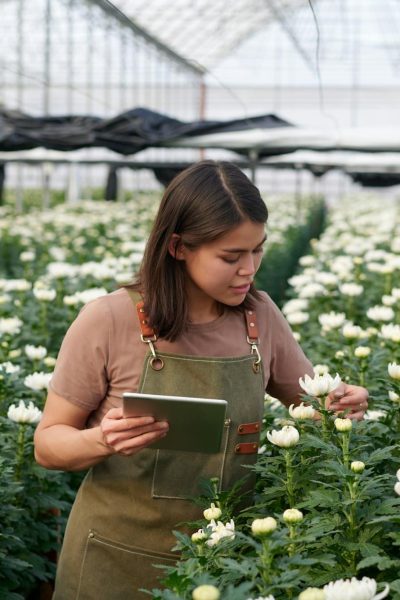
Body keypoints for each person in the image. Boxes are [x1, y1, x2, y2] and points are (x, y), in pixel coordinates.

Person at [34, 160, 368, 599]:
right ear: (177, 246)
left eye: (258, 250)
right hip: (115, 557)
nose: (249, 269)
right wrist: (103, 440)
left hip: (223, 564)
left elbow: (312, 402)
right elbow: (47, 444)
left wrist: (341, 403)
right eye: (231, 256)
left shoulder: (260, 317)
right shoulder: (108, 319)